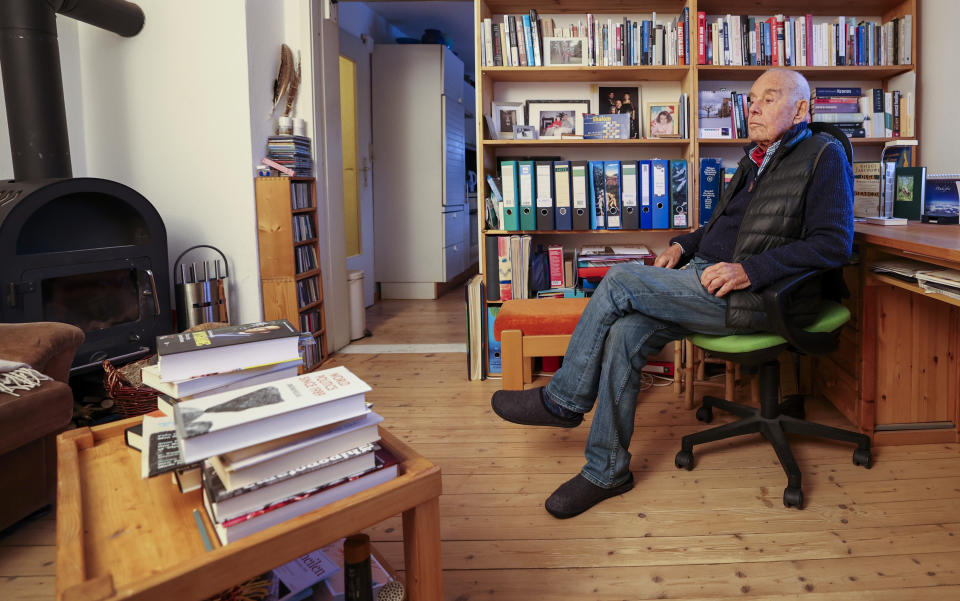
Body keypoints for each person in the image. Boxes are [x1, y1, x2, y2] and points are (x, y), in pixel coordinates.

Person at [490, 69, 854, 519]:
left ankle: (562, 401)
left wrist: (749, 270)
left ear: (800, 109)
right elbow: (722, 228)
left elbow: (834, 243)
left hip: (756, 296)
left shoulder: (824, 155)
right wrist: (685, 243)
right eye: (752, 99)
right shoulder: (756, 160)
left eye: (768, 98)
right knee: (625, 331)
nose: (753, 107)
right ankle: (607, 471)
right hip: (705, 275)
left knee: (621, 280)